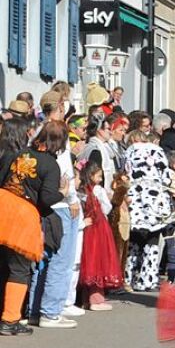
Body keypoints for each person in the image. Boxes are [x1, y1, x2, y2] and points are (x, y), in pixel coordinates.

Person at [0, 119, 65, 335]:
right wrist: (62, 192)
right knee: (19, 269)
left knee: (3, 264)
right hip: (22, 214)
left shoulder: (20, 153)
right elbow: (46, 199)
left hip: (2, 202)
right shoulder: (50, 164)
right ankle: (9, 319)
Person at [27, 120, 81, 329]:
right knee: (61, 261)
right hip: (61, 206)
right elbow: (66, 176)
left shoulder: (30, 155)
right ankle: (50, 312)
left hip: (40, 210)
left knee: (42, 261)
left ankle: (35, 309)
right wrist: (71, 198)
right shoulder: (56, 156)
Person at [123, 133, 175, 292]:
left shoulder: (130, 152)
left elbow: (125, 174)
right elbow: (166, 178)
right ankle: (148, 279)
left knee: (133, 240)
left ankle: (127, 277)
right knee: (152, 240)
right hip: (156, 201)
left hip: (136, 200)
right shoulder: (158, 151)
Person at [77, 162, 122, 310]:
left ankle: (84, 298)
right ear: (91, 176)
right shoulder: (99, 190)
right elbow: (107, 208)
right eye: (99, 176)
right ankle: (96, 299)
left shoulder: (82, 191)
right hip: (99, 227)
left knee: (87, 260)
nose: (101, 179)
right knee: (99, 260)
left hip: (87, 227)